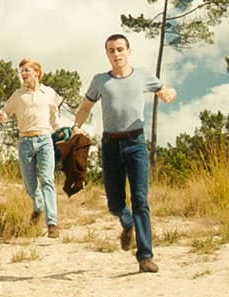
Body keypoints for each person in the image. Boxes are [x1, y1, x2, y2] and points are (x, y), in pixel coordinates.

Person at [72, 34, 177, 273]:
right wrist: (77, 125)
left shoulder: (142, 76)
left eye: (120, 49)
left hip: (135, 143)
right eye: (111, 50)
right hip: (110, 145)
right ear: (107, 54)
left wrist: (169, 93)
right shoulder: (100, 81)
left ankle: (145, 256)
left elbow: (164, 90)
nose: (116, 54)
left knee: (140, 199)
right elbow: (86, 107)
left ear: (128, 51)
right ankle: (127, 223)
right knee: (115, 202)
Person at [0, 58, 62, 239]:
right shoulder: (18, 95)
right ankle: (38, 206)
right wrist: (1, 115)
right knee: (30, 185)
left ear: (37, 73)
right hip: (25, 141)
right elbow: (6, 111)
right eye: (22, 71)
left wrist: (59, 130)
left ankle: (52, 224)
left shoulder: (48, 93)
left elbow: (54, 113)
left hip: (45, 139)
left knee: (47, 179)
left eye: (26, 70)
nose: (23, 74)